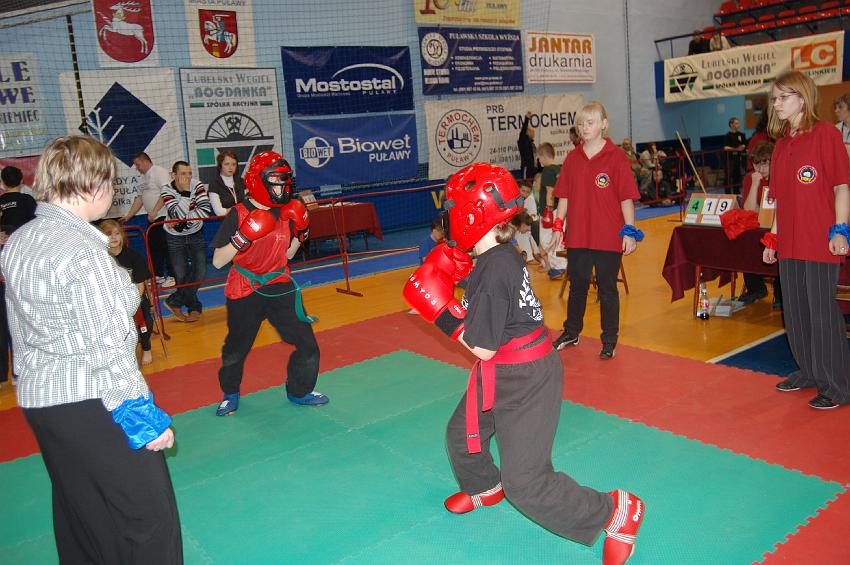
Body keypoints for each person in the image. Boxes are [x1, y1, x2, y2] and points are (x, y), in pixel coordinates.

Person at [403, 162, 645, 565]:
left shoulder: (495, 268)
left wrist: (439, 310)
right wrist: (458, 275)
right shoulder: (495, 255)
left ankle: (614, 511)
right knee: (462, 435)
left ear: (472, 216)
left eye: (454, 209)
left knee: (526, 483)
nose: (448, 217)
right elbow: (492, 307)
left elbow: (481, 348)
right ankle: (485, 487)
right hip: (505, 368)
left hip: (527, 379)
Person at [1, 135, 181, 562]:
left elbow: (19, 326)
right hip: (94, 398)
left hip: (43, 401)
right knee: (148, 516)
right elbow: (110, 344)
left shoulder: (20, 241)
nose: (112, 191)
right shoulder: (83, 252)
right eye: (109, 182)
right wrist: (141, 417)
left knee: (83, 513)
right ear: (90, 185)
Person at [210, 151, 327, 416]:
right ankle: (230, 393)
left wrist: (301, 233)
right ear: (258, 180)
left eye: (285, 181)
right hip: (245, 286)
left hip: (278, 283)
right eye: (276, 181)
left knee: (307, 343)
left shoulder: (287, 210)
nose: (282, 187)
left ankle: (299, 391)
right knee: (236, 348)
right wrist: (243, 237)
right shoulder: (239, 213)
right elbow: (217, 261)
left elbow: (288, 254)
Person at [762, 70, 850, 410]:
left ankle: (837, 386)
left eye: (783, 97)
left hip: (819, 240)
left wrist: (840, 230)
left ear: (803, 98)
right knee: (796, 311)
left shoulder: (826, 134)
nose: (777, 104)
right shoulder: (781, 145)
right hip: (790, 243)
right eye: (774, 99)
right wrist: (774, 239)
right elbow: (780, 201)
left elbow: (841, 187)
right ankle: (809, 372)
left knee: (821, 312)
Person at [549, 101, 643, 359]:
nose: (584, 127)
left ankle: (609, 339)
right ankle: (571, 331)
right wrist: (558, 225)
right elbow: (564, 196)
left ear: (604, 124)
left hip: (608, 236)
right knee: (577, 286)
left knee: (607, 288)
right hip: (578, 235)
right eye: (581, 123)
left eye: (590, 122)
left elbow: (626, 198)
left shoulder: (616, 157)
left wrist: (629, 231)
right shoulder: (572, 158)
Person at [0, 166, 37, 387]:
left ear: (3, 183)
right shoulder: (27, 201)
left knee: (8, 319)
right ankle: (21, 370)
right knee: (25, 318)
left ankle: (10, 372)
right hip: (24, 267)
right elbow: (37, 228)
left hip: (7, 268)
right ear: (22, 181)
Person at [100, 219, 156, 365]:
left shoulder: (134, 256)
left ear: (122, 236)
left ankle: (146, 348)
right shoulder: (100, 258)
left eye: (117, 234)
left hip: (134, 298)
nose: (113, 237)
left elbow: (140, 286)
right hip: (110, 301)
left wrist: (132, 304)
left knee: (145, 320)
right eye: (109, 234)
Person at [161, 161, 211, 322]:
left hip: (196, 234)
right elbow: (176, 213)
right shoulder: (166, 190)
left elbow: (205, 211)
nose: (188, 177)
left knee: (200, 271)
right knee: (181, 275)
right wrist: (186, 193)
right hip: (174, 236)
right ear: (173, 175)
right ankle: (194, 307)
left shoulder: (197, 185)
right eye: (183, 174)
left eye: (189, 173)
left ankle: (174, 301)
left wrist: (181, 220)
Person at [740, 142, 781, 307]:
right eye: (757, 164)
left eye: (765, 163)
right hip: (760, 226)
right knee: (745, 241)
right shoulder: (751, 178)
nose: (760, 168)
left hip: (779, 225)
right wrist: (755, 184)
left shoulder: (782, 176)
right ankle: (756, 288)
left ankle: (780, 292)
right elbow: (749, 210)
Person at [125, 152, 175, 288]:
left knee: (167, 247)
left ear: (145, 161)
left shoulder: (159, 172)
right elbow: (139, 199)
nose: (137, 168)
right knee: (153, 248)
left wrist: (155, 211)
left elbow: (166, 193)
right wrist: (129, 215)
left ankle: (172, 276)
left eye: (138, 164)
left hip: (164, 217)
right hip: (153, 219)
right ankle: (158, 275)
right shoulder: (142, 179)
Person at [537, 143, 567, 279]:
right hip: (561, 210)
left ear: (543, 156)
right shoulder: (559, 169)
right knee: (557, 238)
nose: (539, 161)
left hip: (551, 210)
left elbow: (550, 191)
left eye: (539, 158)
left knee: (547, 240)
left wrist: (548, 211)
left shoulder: (548, 170)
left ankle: (559, 266)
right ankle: (560, 265)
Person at [207, 150, 246, 217]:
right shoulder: (214, 184)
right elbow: (219, 212)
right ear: (220, 165)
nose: (230, 167)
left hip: (244, 220)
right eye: (227, 164)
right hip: (225, 221)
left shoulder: (241, 182)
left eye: (233, 164)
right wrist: (239, 209)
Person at [724, 117, 747, 193]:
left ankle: (736, 193)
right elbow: (726, 147)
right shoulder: (727, 136)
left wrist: (742, 147)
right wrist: (736, 149)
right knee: (728, 176)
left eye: (738, 123)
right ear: (731, 124)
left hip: (738, 158)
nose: (738, 125)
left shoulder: (741, 135)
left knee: (737, 176)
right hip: (729, 159)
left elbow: (744, 145)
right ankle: (728, 193)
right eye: (736, 123)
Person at [518, 111, 537, 180]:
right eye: (532, 131)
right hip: (527, 168)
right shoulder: (523, 140)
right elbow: (523, 130)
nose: (534, 133)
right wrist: (527, 118)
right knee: (526, 183)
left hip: (533, 168)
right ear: (527, 132)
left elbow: (535, 157)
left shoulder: (532, 144)